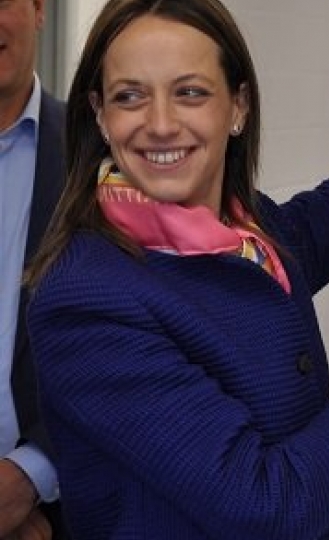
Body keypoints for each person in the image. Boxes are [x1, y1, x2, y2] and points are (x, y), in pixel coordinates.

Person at [24, 0, 329, 538]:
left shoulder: (255, 236)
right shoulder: (86, 301)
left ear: (238, 107)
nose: (160, 124)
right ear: (101, 116)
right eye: (129, 96)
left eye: (190, 92)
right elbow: (261, 505)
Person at [0, 0, 66, 538]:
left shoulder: (97, 160)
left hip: (54, 515)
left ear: (40, 8)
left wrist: (30, 477)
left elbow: (126, 344)